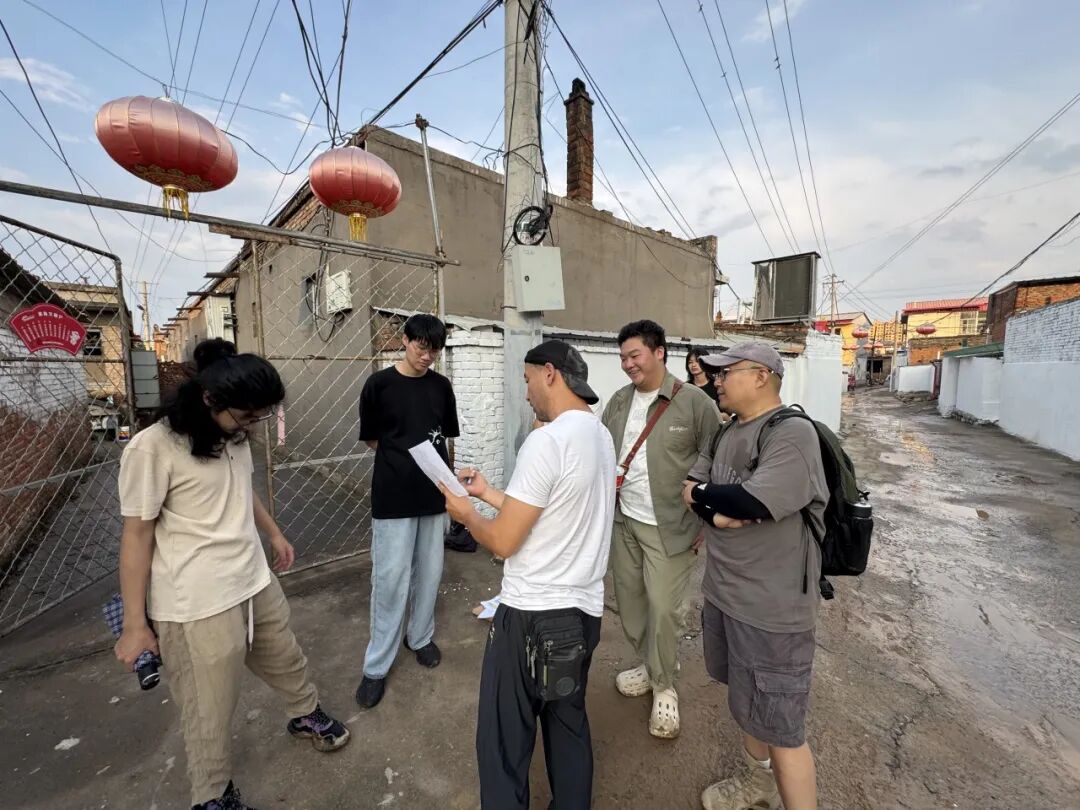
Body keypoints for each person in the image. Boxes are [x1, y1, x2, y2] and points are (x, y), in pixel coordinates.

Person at [114, 339, 350, 810]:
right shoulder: (153, 448)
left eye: (260, 416)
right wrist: (136, 625)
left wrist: (274, 534)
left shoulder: (233, 435)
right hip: (197, 603)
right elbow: (136, 537)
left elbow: (241, 489)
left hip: (253, 580)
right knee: (209, 708)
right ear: (209, 399)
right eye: (246, 416)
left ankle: (304, 714)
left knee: (286, 656)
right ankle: (212, 794)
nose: (252, 425)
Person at [439, 340, 615, 810]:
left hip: (531, 615)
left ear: (549, 373)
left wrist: (465, 514)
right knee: (567, 723)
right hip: (583, 612)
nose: (526, 392)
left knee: (502, 740)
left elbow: (503, 542)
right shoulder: (599, 436)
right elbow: (548, 509)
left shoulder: (547, 440)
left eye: (527, 380)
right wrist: (487, 493)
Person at [682, 342, 827, 810]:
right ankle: (757, 785)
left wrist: (715, 500)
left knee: (783, 729)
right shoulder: (726, 431)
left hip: (772, 610)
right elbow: (690, 488)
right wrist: (714, 507)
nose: (717, 381)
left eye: (726, 373)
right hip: (725, 595)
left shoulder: (792, 434)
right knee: (748, 706)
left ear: (762, 376)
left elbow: (753, 501)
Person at [601, 320, 720, 738]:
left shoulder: (694, 403)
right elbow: (603, 449)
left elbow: (716, 457)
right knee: (631, 603)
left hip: (670, 525)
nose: (627, 364)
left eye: (634, 355)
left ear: (659, 352)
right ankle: (650, 664)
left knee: (665, 609)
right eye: (622, 358)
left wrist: (706, 515)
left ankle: (665, 685)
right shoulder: (619, 401)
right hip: (624, 520)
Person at [355, 314, 460, 708]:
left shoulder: (441, 387)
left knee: (430, 572)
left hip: (434, 496)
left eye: (434, 350)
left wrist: (449, 489)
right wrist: (402, 462)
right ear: (405, 340)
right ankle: (376, 667)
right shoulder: (378, 385)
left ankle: (420, 637)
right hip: (393, 496)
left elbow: (447, 440)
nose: (427, 356)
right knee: (390, 579)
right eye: (421, 346)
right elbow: (373, 440)